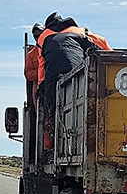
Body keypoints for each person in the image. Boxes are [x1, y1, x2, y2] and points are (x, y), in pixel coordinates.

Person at [35, 12, 112, 144]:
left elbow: (42, 64)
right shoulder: (80, 31)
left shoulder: (44, 37)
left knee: (53, 108)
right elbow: (104, 49)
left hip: (54, 76)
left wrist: (41, 85)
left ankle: (57, 141)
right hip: (79, 72)